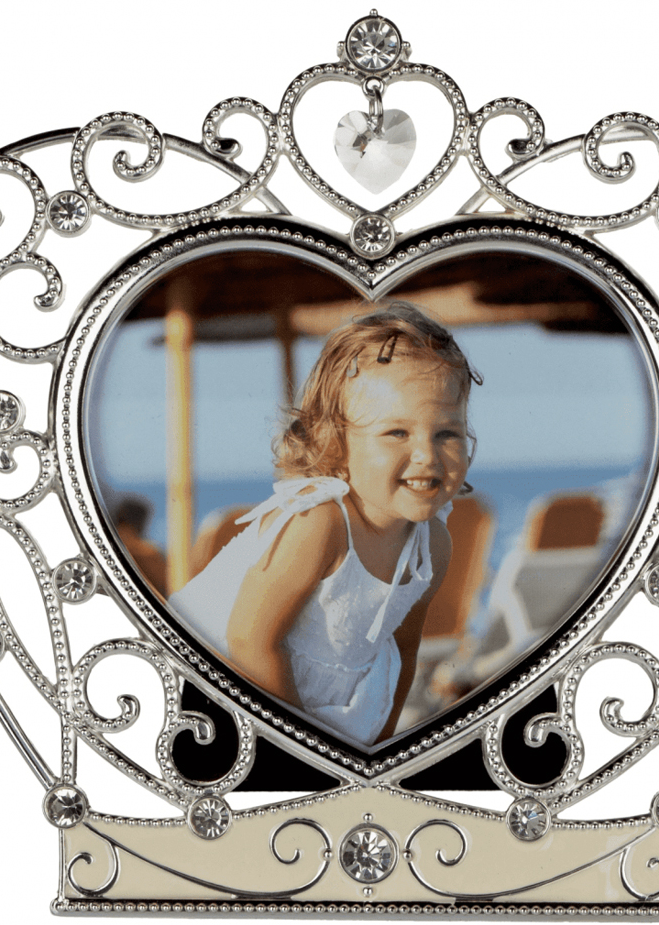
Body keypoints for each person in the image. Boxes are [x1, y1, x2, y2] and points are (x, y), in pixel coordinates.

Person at [170, 302, 481, 747]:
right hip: (212, 689)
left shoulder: (432, 547)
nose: (427, 455)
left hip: (313, 712)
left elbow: (400, 654)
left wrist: (378, 749)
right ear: (336, 442)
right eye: (397, 433)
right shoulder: (319, 523)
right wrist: (305, 751)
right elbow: (249, 640)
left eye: (447, 433)